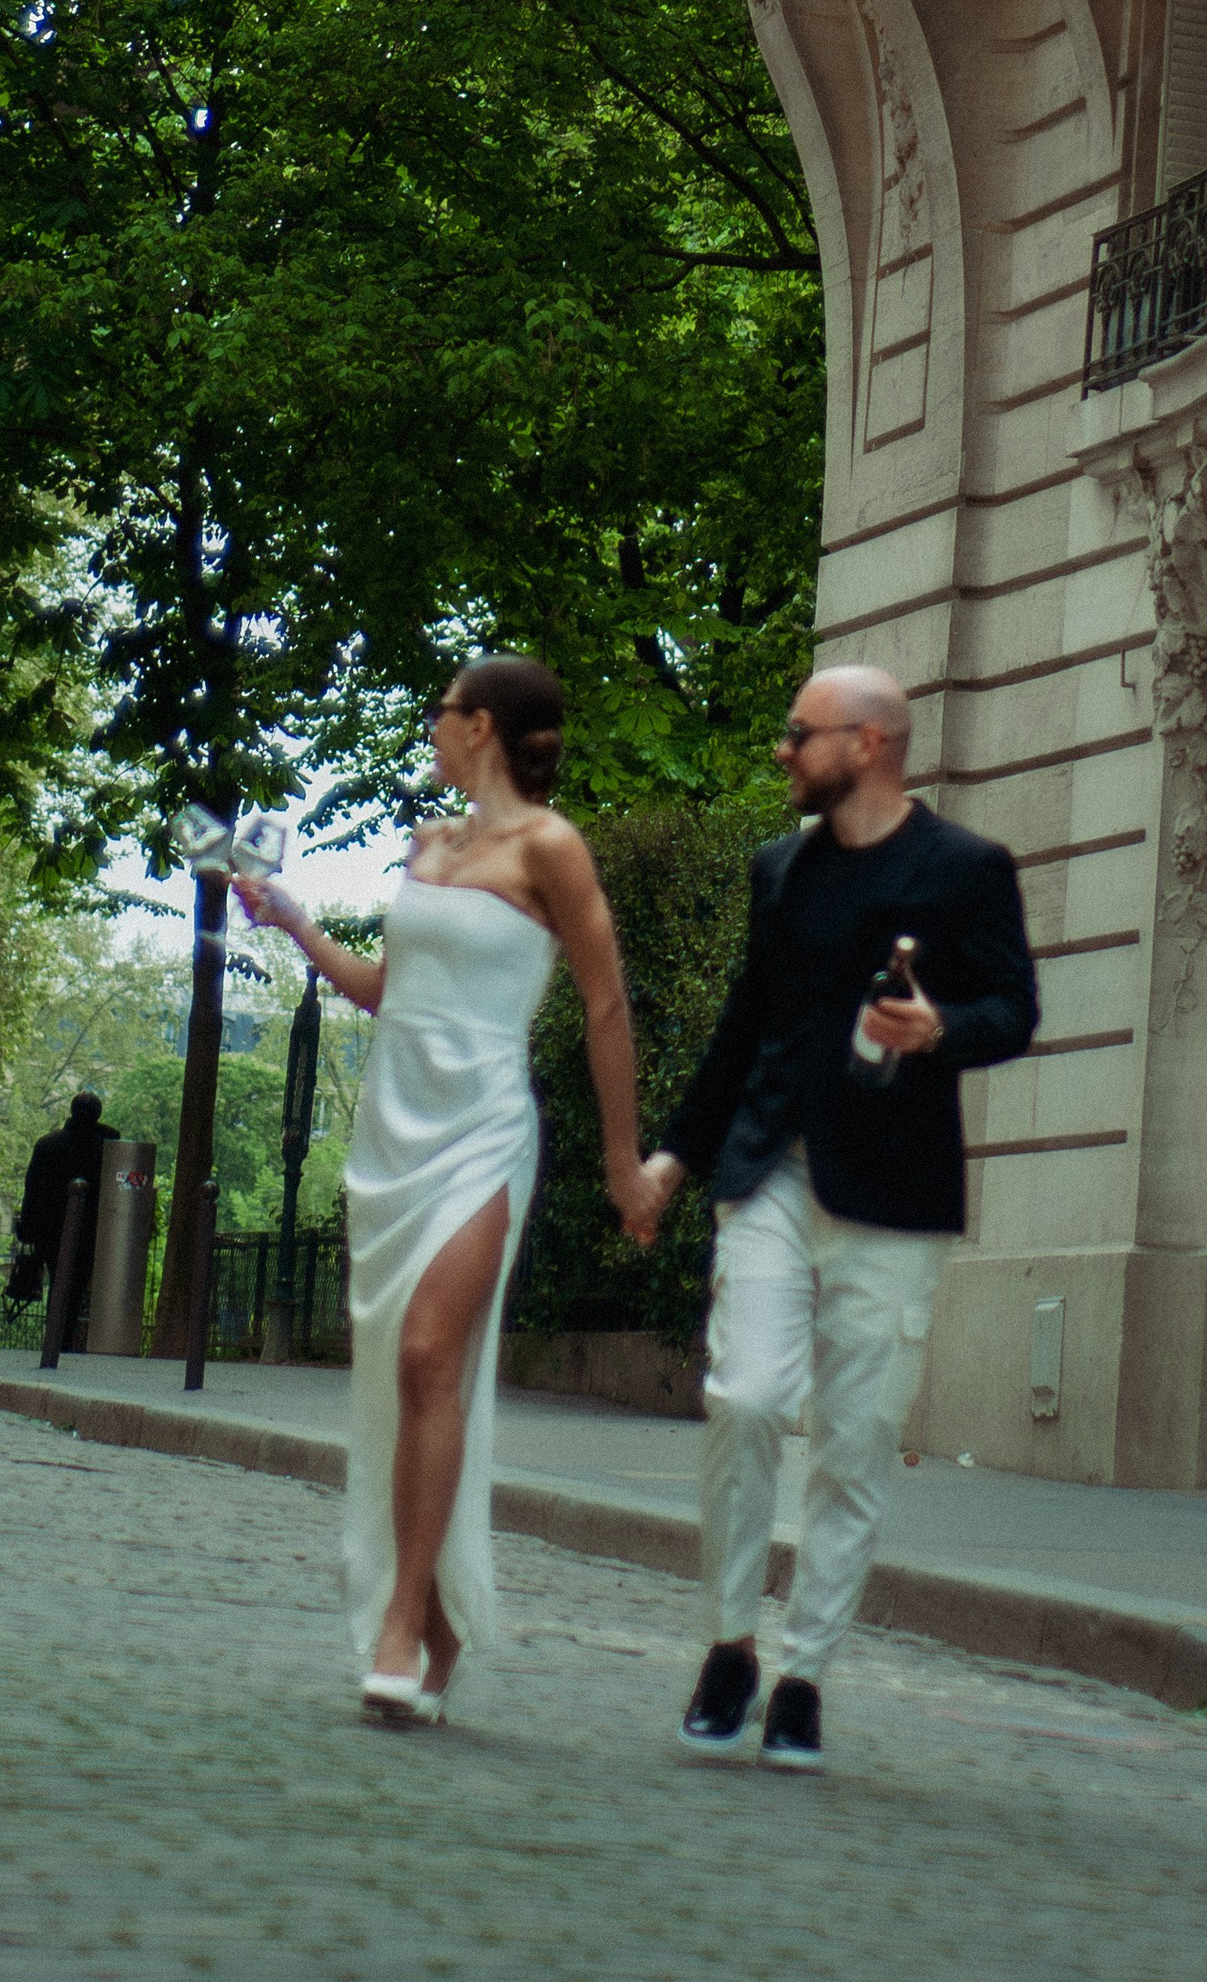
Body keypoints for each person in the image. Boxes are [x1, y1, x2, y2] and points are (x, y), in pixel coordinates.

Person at [635, 664, 1038, 1775]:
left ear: (866, 745)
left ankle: (803, 1674)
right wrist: (675, 1152)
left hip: (895, 1197)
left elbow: (1015, 1009)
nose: (781, 751)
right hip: (769, 1172)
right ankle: (728, 1645)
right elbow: (742, 1029)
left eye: (797, 734)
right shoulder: (780, 872)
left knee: (855, 1443)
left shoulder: (964, 871)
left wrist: (940, 1028)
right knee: (745, 1399)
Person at [236, 655, 652, 1726]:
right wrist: (293, 922)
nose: (430, 729)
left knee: (432, 1355)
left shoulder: (551, 849)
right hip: (392, 1135)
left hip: (483, 1132)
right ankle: (437, 1619)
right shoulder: (426, 848)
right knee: (400, 1377)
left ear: (481, 727)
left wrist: (621, 1163)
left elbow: (606, 1008)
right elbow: (392, 991)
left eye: (441, 714)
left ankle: (403, 1618)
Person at [10, 1090, 107, 1313]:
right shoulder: (104, 1148)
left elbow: (31, 1188)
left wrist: (26, 1226)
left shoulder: (47, 1144)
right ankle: (64, 1338)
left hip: (49, 1230)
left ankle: (54, 1335)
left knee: (58, 1280)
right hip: (89, 1231)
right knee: (76, 1287)